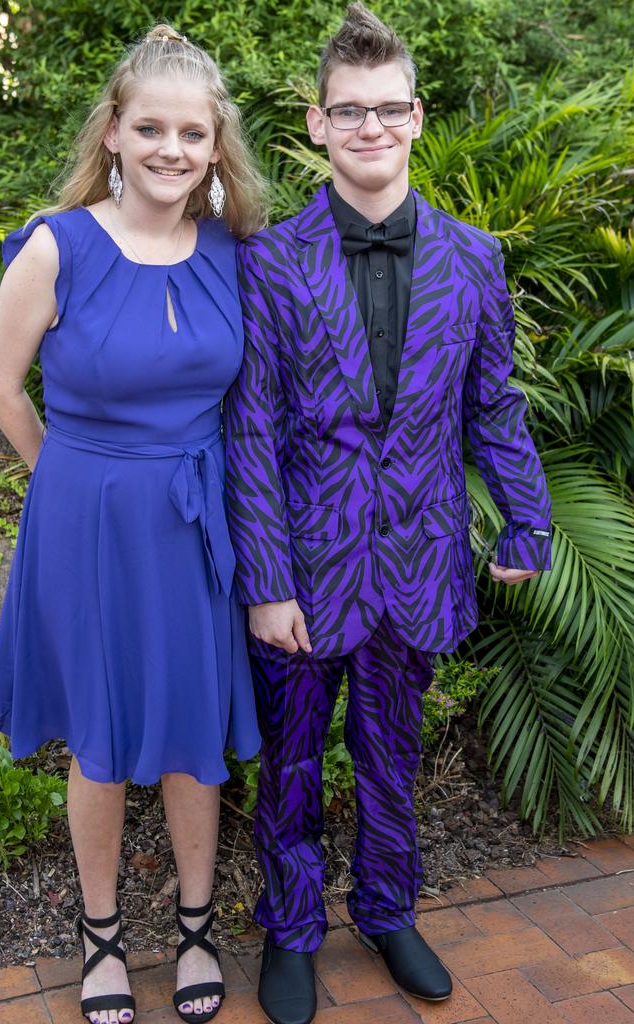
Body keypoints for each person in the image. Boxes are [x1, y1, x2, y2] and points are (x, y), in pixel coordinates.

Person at [224, 6, 552, 1023]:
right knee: (290, 759)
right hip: (305, 572)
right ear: (318, 124)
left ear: (417, 117)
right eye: (349, 111)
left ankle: (390, 907)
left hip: (420, 556)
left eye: (390, 108)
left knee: (392, 749)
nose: (372, 127)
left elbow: (492, 401)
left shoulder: (475, 258)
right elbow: (250, 430)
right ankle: (289, 927)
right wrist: (267, 579)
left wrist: (527, 517)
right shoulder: (268, 262)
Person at [0, 25, 265, 1024]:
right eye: (151, 126)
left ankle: (194, 923)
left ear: (214, 145)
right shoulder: (60, 245)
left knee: (193, 728)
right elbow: (0, 384)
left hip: (195, 521)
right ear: (114, 131)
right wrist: (68, 481)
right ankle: (101, 938)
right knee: (96, 734)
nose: (172, 148)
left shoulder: (232, 249)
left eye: (193, 132)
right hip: (88, 519)